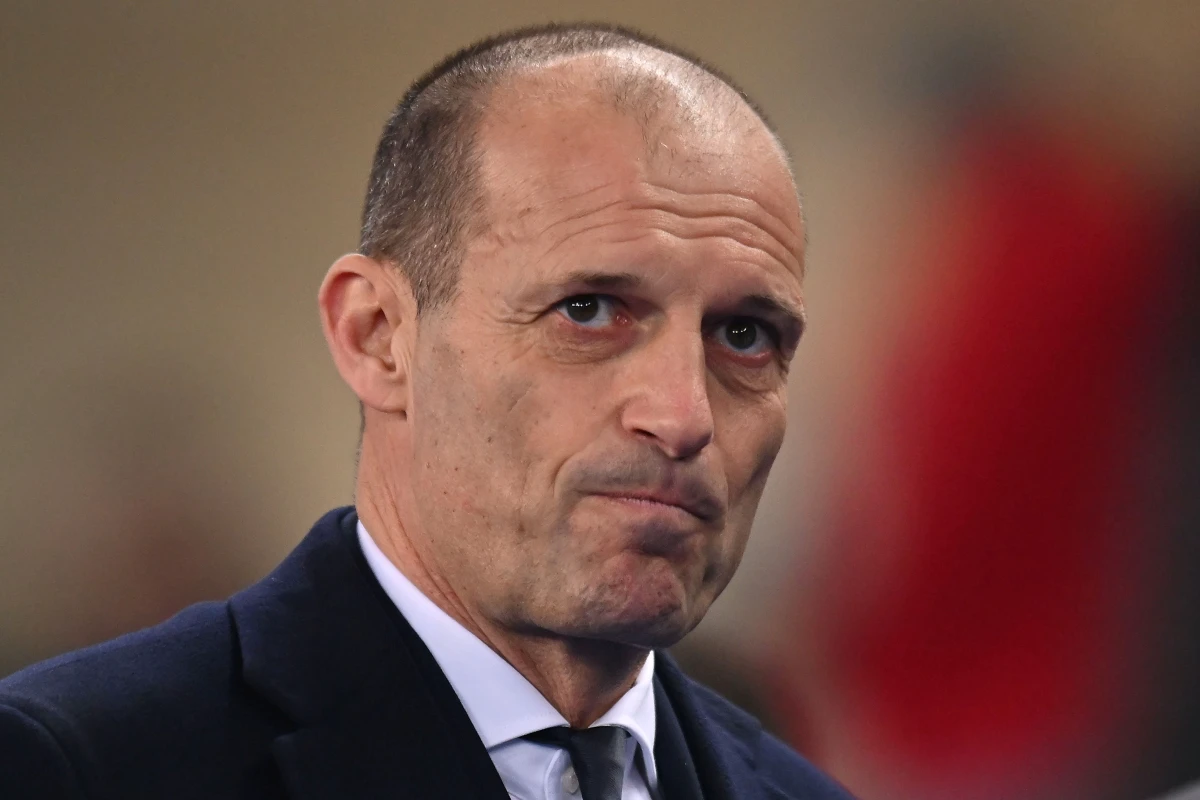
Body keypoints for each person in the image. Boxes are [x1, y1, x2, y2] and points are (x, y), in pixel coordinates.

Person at [0, 23, 852, 800]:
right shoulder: (81, 766)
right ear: (377, 337)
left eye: (745, 334)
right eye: (589, 310)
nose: (683, 415)